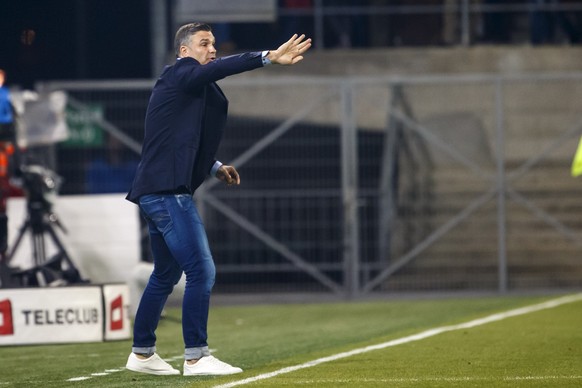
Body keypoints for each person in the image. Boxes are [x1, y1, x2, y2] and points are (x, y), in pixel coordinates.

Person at [125, 23, 311, 376]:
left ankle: (143, 353)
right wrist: (267, 57)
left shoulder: (190, 87)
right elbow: (223, 68)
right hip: (166, 193)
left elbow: (177, 138)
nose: (212, 49)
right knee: (201, 271)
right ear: (184, 52)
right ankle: (196, 356)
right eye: (204, 43)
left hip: (156, 190)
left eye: (213, 43)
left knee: (165, 274)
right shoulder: (182, 72)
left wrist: (214, 167)